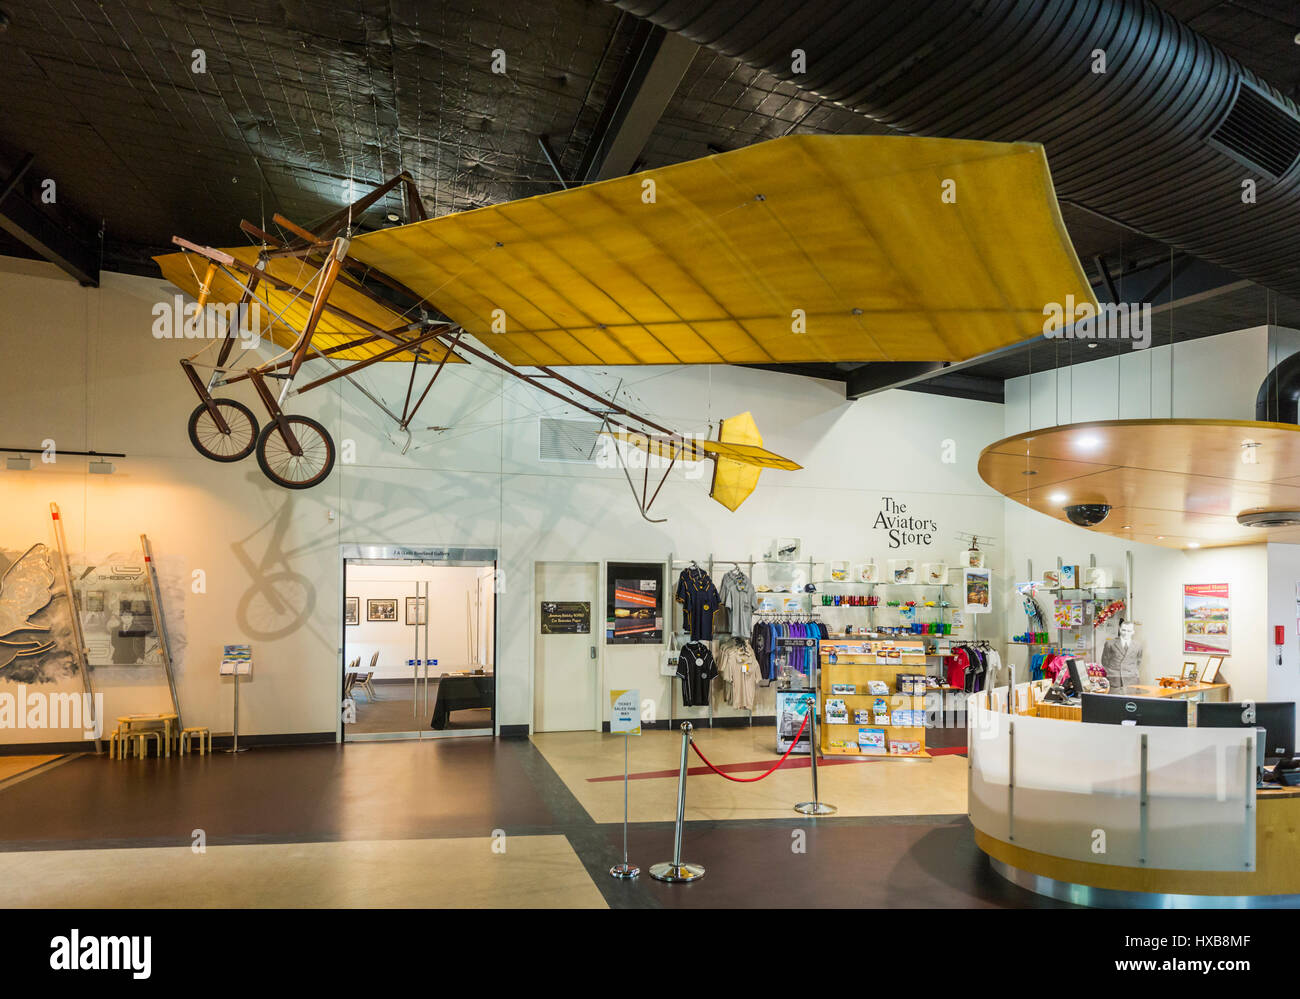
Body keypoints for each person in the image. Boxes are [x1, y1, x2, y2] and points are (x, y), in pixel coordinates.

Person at [1101, 618, 1143, 693]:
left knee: (1131, 703)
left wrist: (1131, 671)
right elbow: (1104, 661)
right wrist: (1113, 672)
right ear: (1120, 629)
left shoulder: (1138, 645)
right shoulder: (1110, 644)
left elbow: (1138, 661)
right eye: (1123, 630)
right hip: (1115, 681)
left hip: (1132, 680)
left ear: (1133, 632)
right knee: (1114, 703)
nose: (1126, 633)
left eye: (1129, 631)